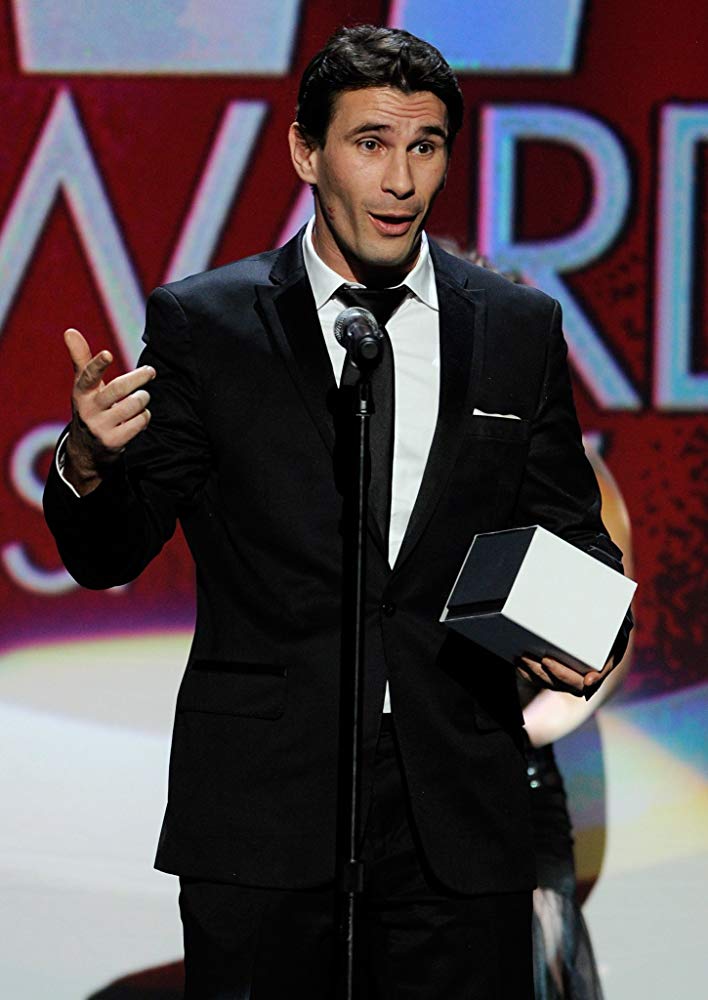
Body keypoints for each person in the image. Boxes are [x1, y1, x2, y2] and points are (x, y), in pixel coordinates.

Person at [43, 24, 632, 1000]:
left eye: (425, 146)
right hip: (265, 810)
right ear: (305, 152)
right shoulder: (209, 324)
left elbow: (575, 539)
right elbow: (111, 553)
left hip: (455, 811)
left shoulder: (513, 327)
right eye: (370, 143)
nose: (401, 179)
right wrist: (86, 463)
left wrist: (582, 636)